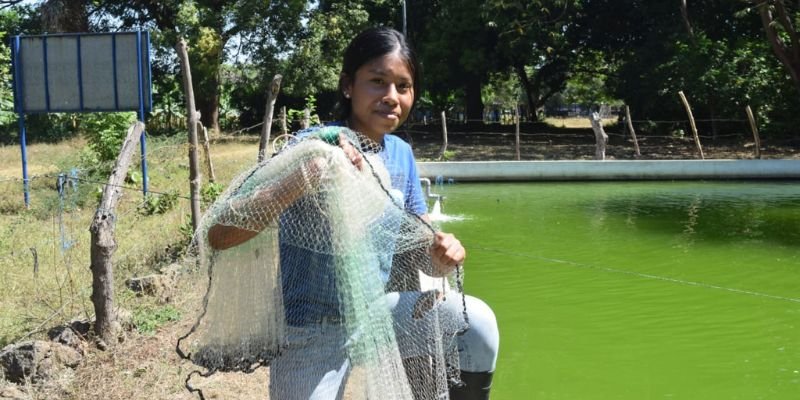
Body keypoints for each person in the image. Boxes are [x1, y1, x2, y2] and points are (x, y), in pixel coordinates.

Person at [207, 27, 499, 400]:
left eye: (403, 87)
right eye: (378, 82)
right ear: (348, 86)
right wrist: (301, 179)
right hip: (311, 329)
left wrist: (444, 255)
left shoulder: (400, 154)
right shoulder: (311, 145)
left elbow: (421, 242)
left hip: (378, 315)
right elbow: (220, 235)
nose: (392, 97)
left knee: (477, 325)